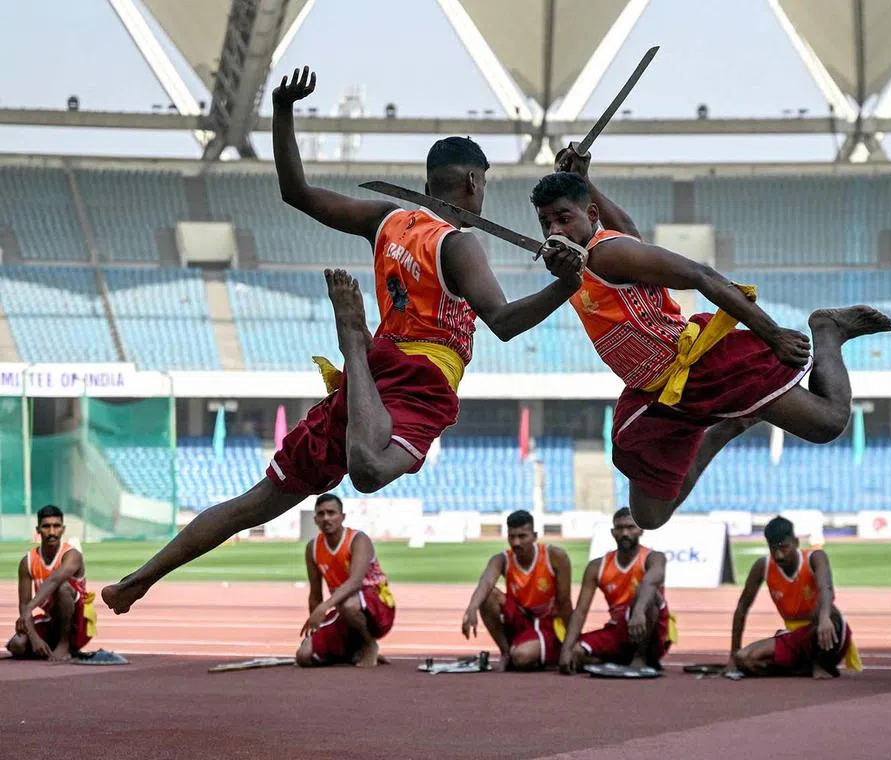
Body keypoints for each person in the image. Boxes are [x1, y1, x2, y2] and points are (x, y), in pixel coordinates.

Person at [101, 66, 584, 616]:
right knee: (371, 471)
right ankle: (350, 336)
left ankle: (142, 578)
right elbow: (502, 320)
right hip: (417, 378)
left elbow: (297, 191)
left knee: (259, 500)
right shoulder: (461, 245)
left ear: (428, 185)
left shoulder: (387, 220)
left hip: (374, 372)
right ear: (474, 183)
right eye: (485, 184)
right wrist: (565, 284)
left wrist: (282, 113)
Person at [533, 147, 891, 531]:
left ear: (590, 216)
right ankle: (727, 426)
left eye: (564, 218)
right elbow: (631, 235)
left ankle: (828, 330)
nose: (555, 230)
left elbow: (701, 275)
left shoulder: (608, 254)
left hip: (697, 366)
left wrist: (770, 334)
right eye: (545, 222)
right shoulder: (578, 261)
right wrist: (585, 182)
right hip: (655, 391)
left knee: (829, 423)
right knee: (649, 516)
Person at [728, 516, 860, 678]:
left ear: (796, 542)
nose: (779, 555)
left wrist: (824, 617)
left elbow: (826, 588)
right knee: (743, 658)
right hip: (793, 637)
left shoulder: (815, 558)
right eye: (773, 548)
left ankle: (821, 664)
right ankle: (802, 670)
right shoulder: (763, 566)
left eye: (784, 548)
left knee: (829, 612)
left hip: (823, 631)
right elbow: (742, 607)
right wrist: (732, 656)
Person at [559, 508, 675, 674]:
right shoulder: (597, 566)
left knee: (648, 594)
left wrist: (639, 611)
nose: (625, 533)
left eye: (630, 527)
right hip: (618, 628)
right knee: (575, 654)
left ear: (640, 530)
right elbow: (580, 611)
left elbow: (650, 583)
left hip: (650, 625)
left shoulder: (654, 558)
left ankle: (640, 658)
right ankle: (620, 659)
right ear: (613, 532)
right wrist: (566, 649)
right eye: (619, 528)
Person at [461, 510, 572, 671]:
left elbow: (564, 602)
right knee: (487, 595)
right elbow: (486, 582)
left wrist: (570, 643)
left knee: (521, 657)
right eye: (512, 536)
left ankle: (546, 651)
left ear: (534, 536)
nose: (516, 543)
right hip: (520, 617)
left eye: (522, 536)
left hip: (546, 622)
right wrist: (472, 608)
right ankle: (506, 652)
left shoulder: (554, 556)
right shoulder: (502, 559)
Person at [295, 494, 395, 668]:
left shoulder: (357, 540)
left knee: (347, 603)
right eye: (321, 514)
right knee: (304, 656)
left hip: (377, 606)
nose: (326, 518)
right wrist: (315, 627)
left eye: (331, 513)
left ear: (342, 517)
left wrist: (324, 607)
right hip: (344, 610)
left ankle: (370, 644)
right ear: (315, 519)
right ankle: (353, 651)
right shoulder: (313, 548)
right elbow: (315, 593)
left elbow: (355, 582)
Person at [6, 505, 96, 662]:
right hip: (51, 620)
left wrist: (28, 610)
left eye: (56, 526)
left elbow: (54, 580)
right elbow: (23, 604)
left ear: (63, 529)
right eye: (46, 526)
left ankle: (65, 645)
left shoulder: (72, 555)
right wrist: (33, 638)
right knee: (17, 645)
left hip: (78, 623)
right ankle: (46, 647)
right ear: (38, 529)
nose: (52, 532)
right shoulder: (27, 561)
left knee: (63, 588)